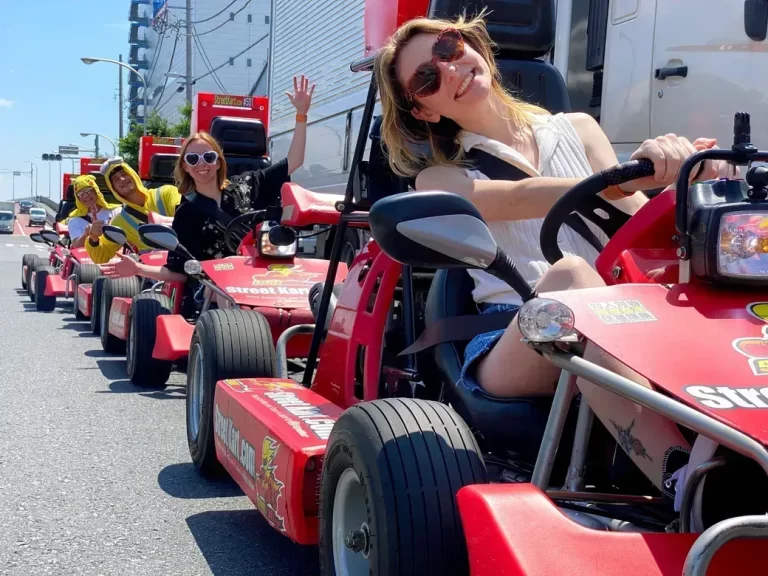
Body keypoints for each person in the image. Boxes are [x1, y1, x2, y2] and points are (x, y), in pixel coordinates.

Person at [375, 11, 742, 526]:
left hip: (624, 323)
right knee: (571, 277)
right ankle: (687, 481)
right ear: (425, 111)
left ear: (474, 45)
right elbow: (519, 197)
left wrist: (690, 179)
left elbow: (637, 230)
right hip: (516, 335)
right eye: (427, 78)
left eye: (449, 48)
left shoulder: (579, 129)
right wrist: (621, 178)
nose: (450, 68)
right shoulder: (440, 177)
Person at [102, 75, 314, 287]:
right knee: (222, 296)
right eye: (193, 159)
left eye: (209, 157)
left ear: (219, 162)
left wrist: (301, 115)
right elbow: (179, 272)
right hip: (216, 291)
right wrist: (138, 269)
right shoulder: (186, 214)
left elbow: (294, 161)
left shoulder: (248, 184)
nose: (201, 164)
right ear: (185, 166)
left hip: (265, 279)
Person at [85, 157, 182, 264]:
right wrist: (93, 237)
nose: (122, 179)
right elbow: (101, 256)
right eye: (116, 179)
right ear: (113, 189)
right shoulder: (120, 222)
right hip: (153, 270)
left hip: (187, 260)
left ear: (133, 174)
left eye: (124, 174)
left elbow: (187, 217)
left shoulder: (166, 193)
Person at [65, 175, 121, 248]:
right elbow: (77, 245)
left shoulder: (116, 212)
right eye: (80, 194)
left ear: (96, 190)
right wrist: (87, 233)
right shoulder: (75, 220)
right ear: (78, 199)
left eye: (88, 191)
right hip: (86, 255)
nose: (85, 196)